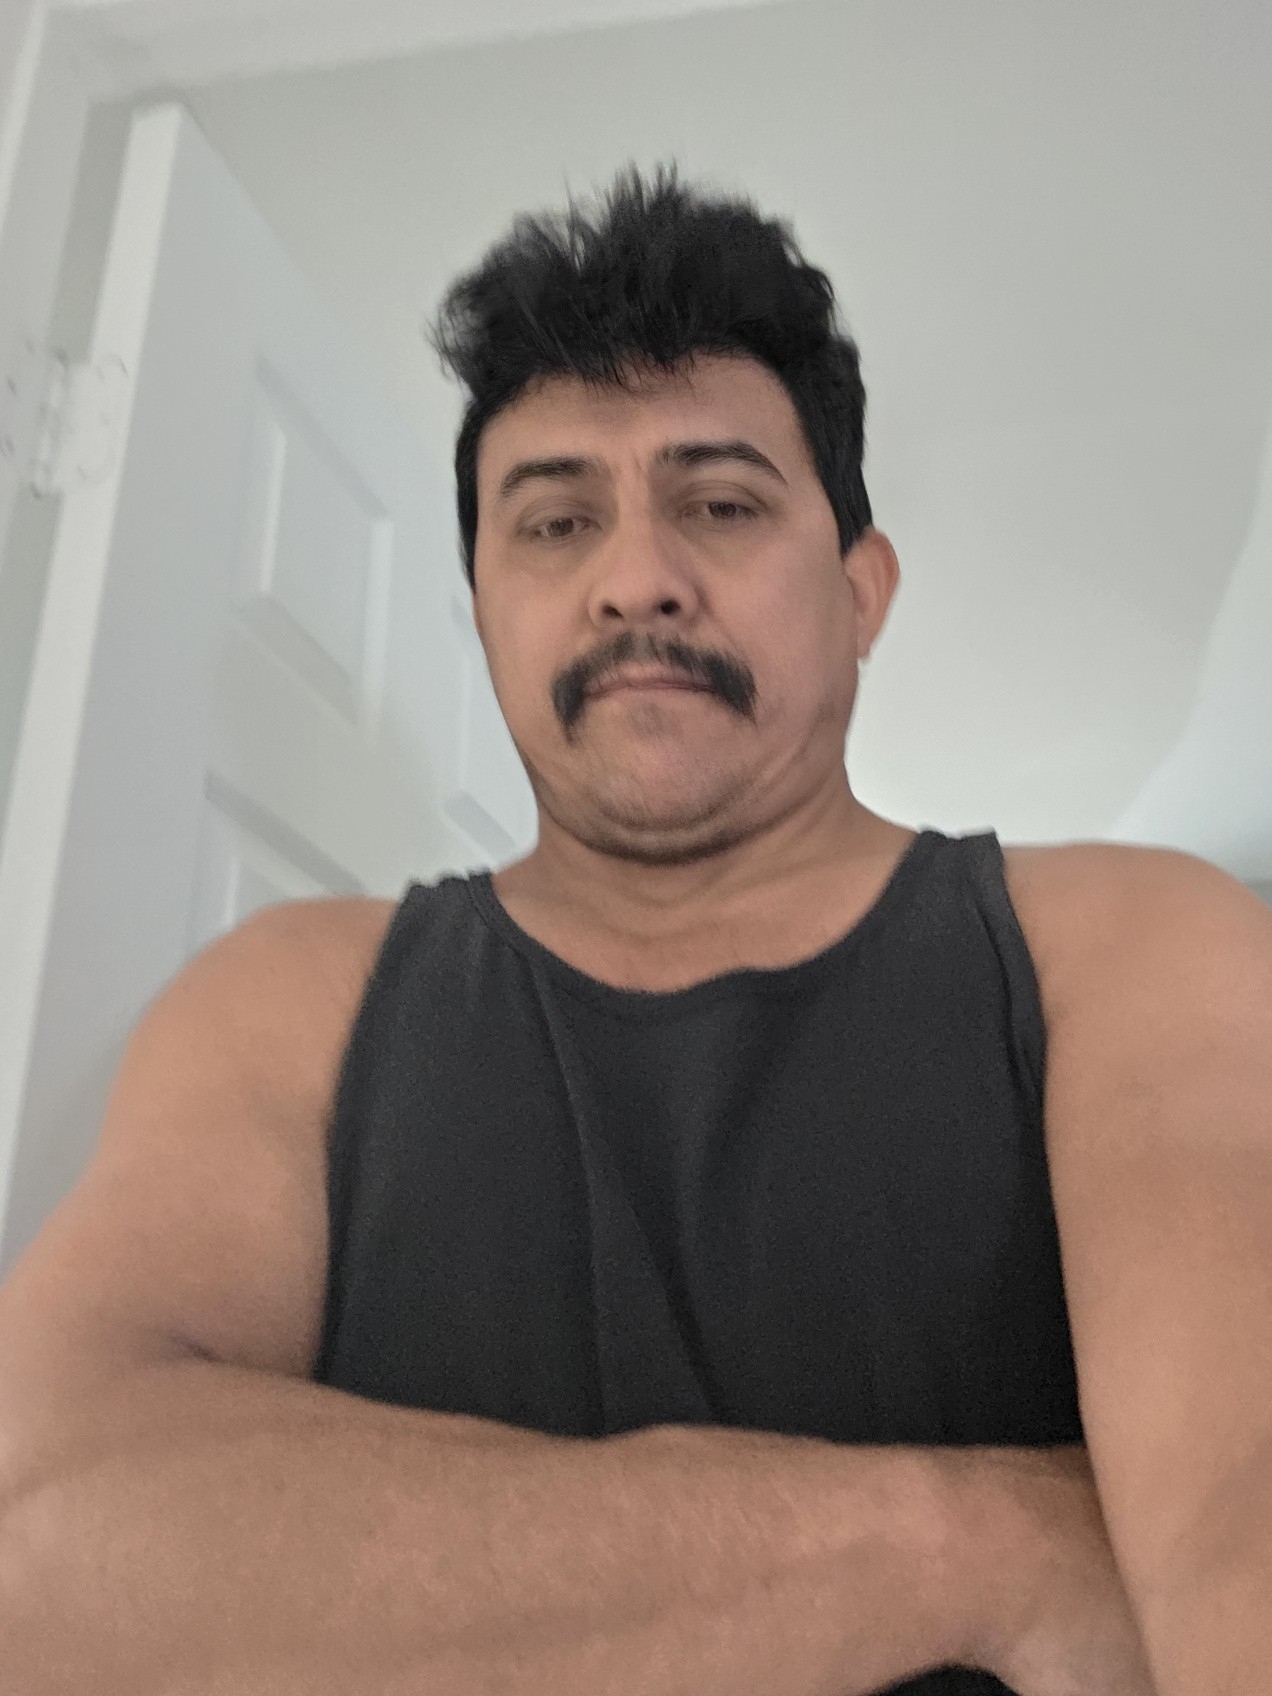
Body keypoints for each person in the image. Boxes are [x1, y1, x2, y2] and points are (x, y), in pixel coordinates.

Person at [2, 163, 1270, 1696]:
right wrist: (979, 1542)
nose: (636, 582)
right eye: (555, 523)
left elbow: (1242, 1525)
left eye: (720, 504)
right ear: (482, 607)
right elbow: (43, 1544)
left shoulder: (1128, 945)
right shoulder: (290, 999)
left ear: (861, 592)